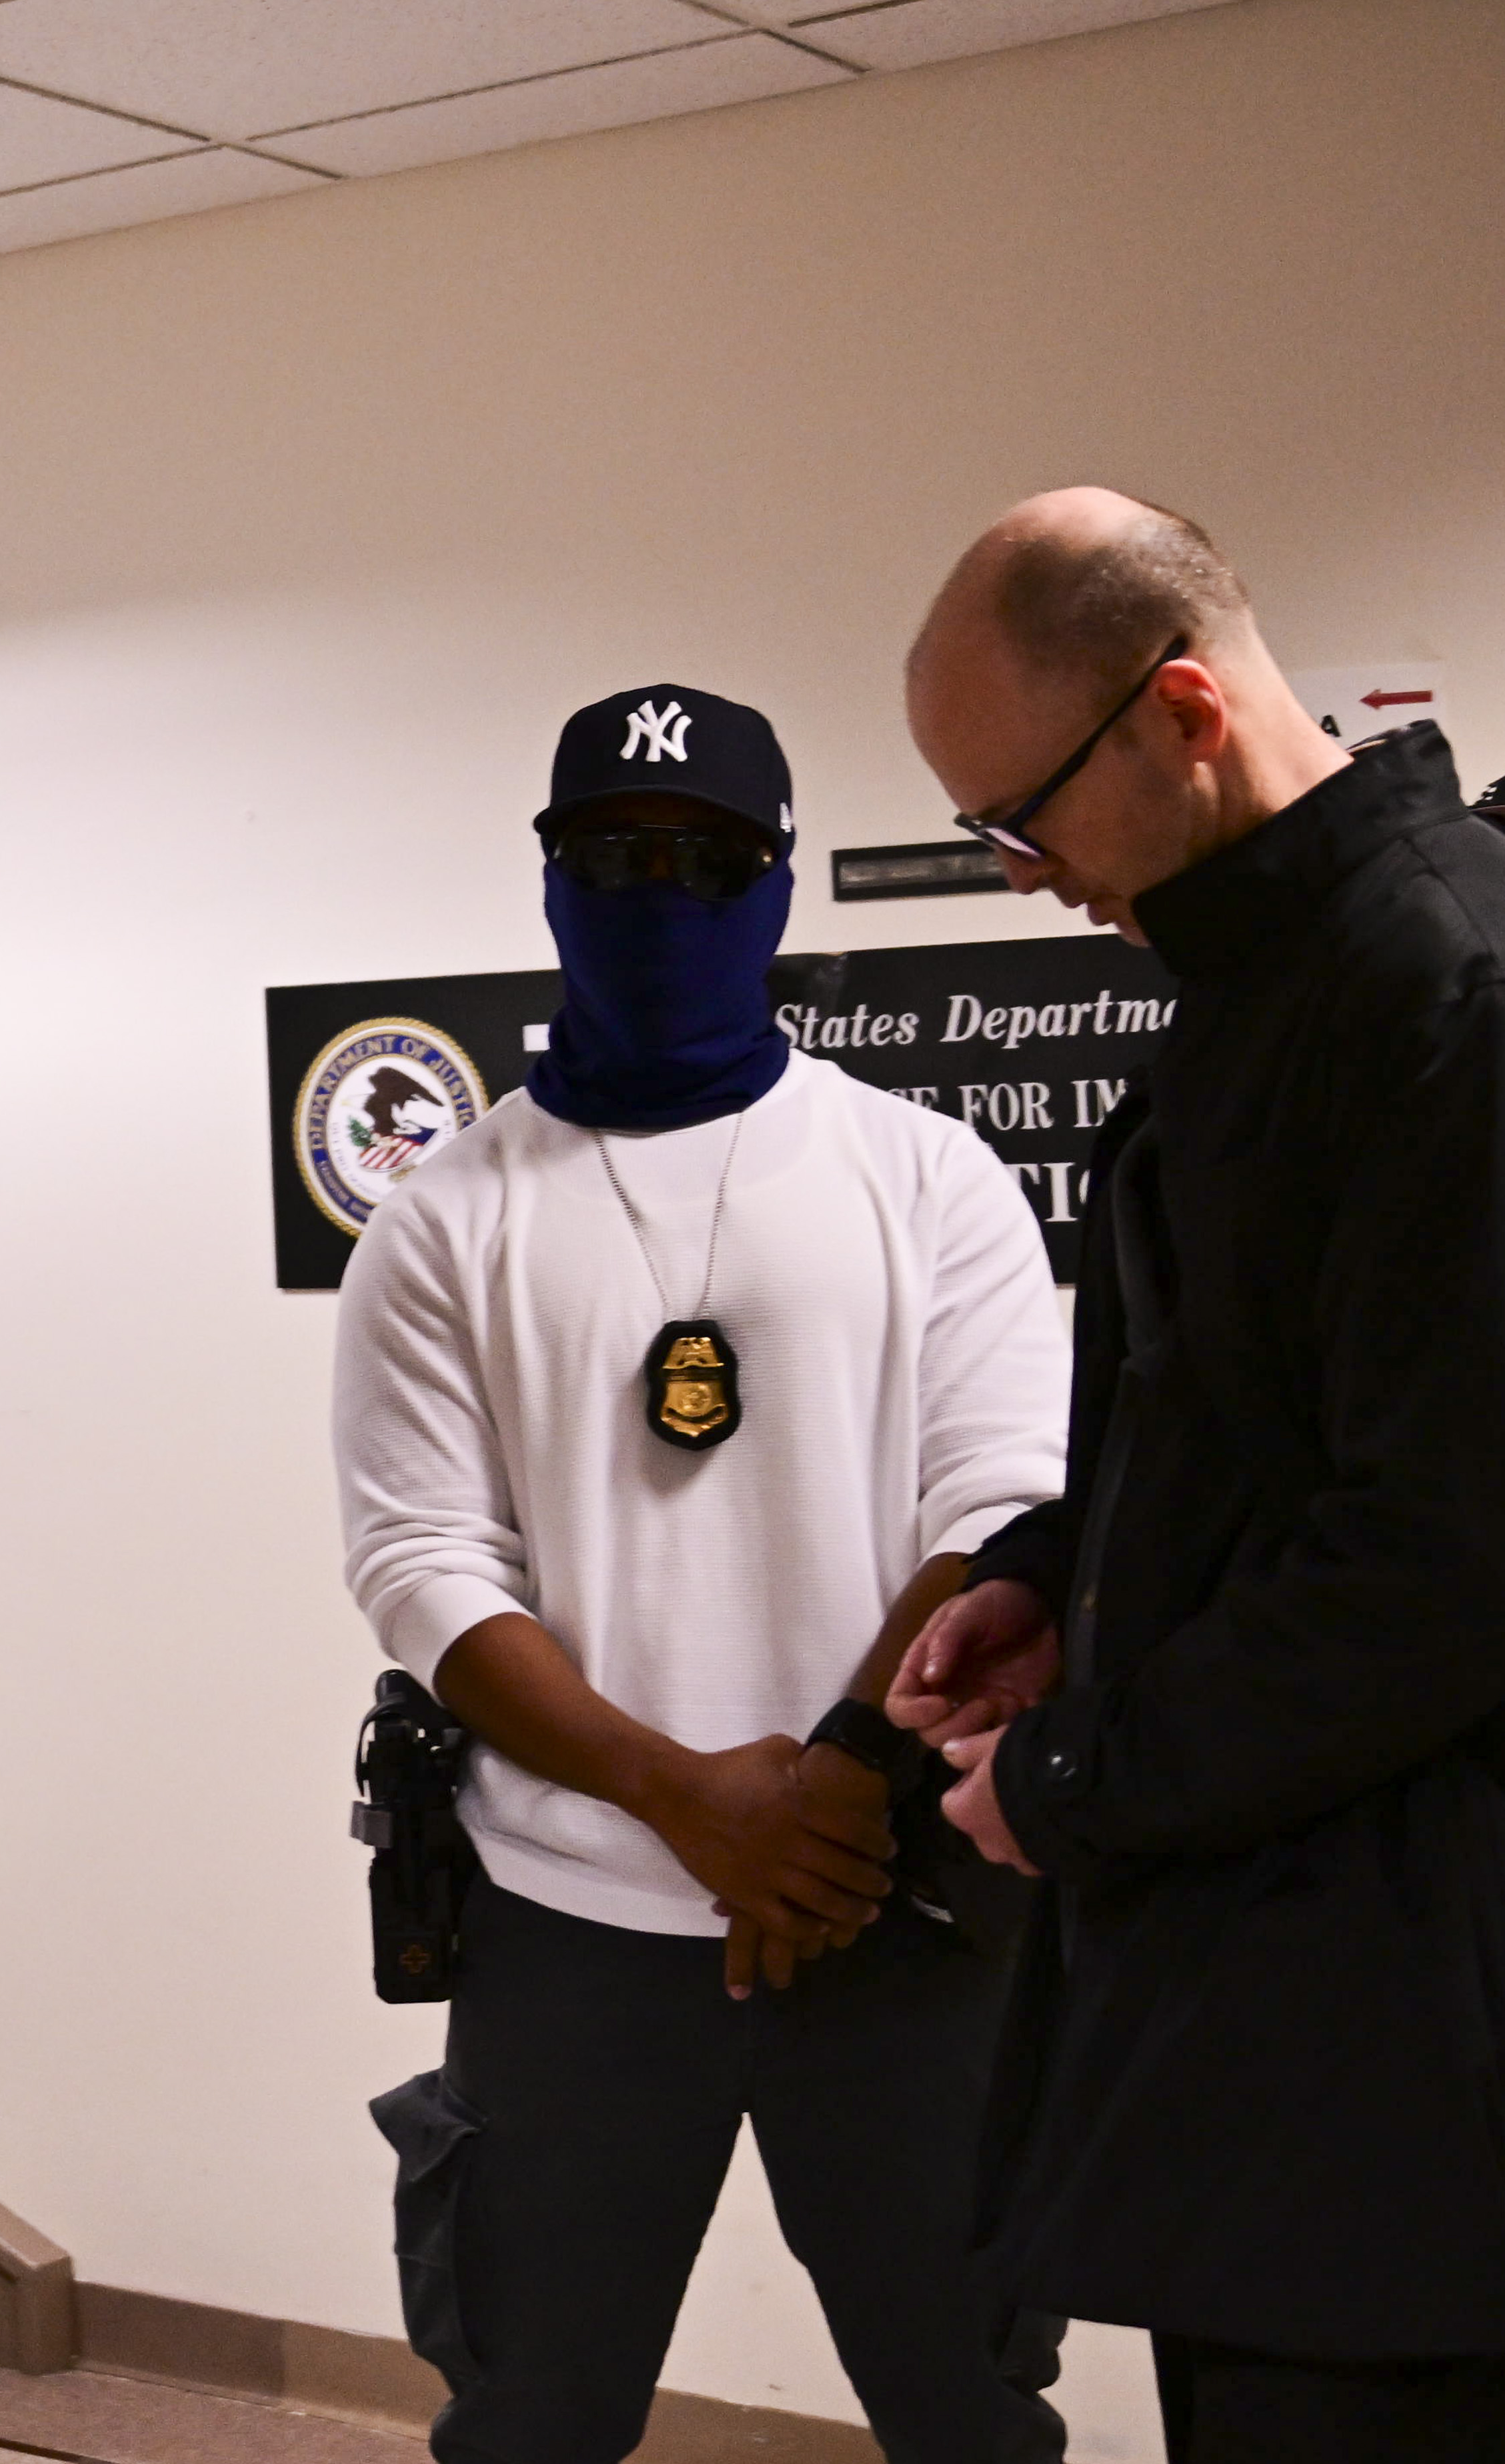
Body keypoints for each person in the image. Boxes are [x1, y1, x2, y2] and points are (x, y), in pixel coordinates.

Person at [333, 683, 1072, 2463]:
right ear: (547, 880)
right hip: (569, 1921)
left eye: (706, 860)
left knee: (971, 2410)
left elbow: (1002, 1504)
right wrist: (688, 1798)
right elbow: (423, 1563)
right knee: (531, 2418)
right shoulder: (448, 1212)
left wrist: (833, 1783)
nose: (656, 893)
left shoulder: (930, 1176)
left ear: (780, 883)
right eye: (610, 857)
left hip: (898, 1909)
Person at [894, 488, 1505, 2459]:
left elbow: (1440, 1561)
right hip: (1277, 2042)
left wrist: (1075, 1782)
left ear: (1180, 713)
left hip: (1406, 2085)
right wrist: (1054, 1580)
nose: (1017, 877)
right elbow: (1247, 1414)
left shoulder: (1440, 994)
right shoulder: (1266, 975)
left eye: (1022, 819)